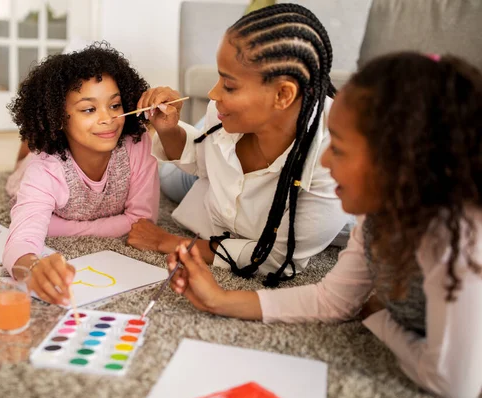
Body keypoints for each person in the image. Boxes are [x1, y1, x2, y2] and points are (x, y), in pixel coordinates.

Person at [166, 52, 482, 398]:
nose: (326, 162)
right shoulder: (378, 212)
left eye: (341, 150)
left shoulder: (459, 236)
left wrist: (380, 319)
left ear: (398, 163)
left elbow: (452, 384)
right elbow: (335, 300)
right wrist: (220, 300)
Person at [128, 3, 349, 287]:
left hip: (254, 196)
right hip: (216, 181)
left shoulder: (334, 160)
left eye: (229, 85)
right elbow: (200, 157)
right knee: (170, 179)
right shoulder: (220, 113)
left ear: (283, 94)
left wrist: (170, 242)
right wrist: (168, 131)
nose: (212, 93)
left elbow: (277, 257)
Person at [3, 42, 159, 305]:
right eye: (89, 109)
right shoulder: (45, 169)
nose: (107, 119)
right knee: (25, 163)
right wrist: (30, 267)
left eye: (115, 105)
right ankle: (27, 147)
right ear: (58, 117)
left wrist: (59, 227)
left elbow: (143, 222)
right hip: (37, 167)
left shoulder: (137, 143)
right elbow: (21, 238)